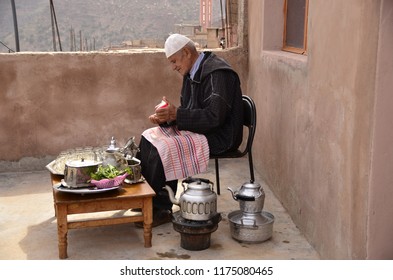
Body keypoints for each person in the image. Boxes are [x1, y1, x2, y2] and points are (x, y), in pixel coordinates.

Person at [137, 33, 243, 227]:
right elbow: (188, 111)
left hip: (221, 136)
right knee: (150, 138)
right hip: (202, 131)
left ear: (186, 52)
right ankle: (147, 199)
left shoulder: (217, 73)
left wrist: (175, 115)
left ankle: (160, 208)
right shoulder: (191, 73)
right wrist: (166, 119)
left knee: (165, 147)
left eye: (174, 61)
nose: (173, 67)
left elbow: (214, 117)